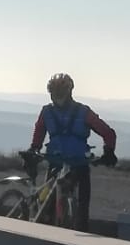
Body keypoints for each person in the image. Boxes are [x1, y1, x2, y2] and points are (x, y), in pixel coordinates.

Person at [24, 73, 117, 232]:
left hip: (57, 161)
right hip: (76, 163)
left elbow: (39, 134)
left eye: (59, 93)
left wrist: (34, 148)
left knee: (51, 209)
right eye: (56, 93)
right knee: (80, 208)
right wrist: (109, 152)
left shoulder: (47, 112)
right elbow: (107, 133)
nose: (58, 97)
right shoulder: (84, 112)